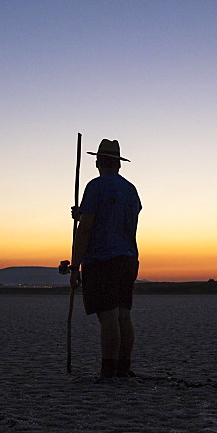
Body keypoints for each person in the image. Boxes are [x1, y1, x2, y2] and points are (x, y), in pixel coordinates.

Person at [69, 139, 142, 379]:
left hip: (102, 259)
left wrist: (75, 265)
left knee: (109, 315)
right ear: (118, 164)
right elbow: (114, 217)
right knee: (123, 313)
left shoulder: (96, 186)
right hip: (128, 258)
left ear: (99, 161)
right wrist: (82, 214)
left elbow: (87, 229)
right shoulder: (130, 190)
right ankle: (123, 366)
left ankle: (108, 369)